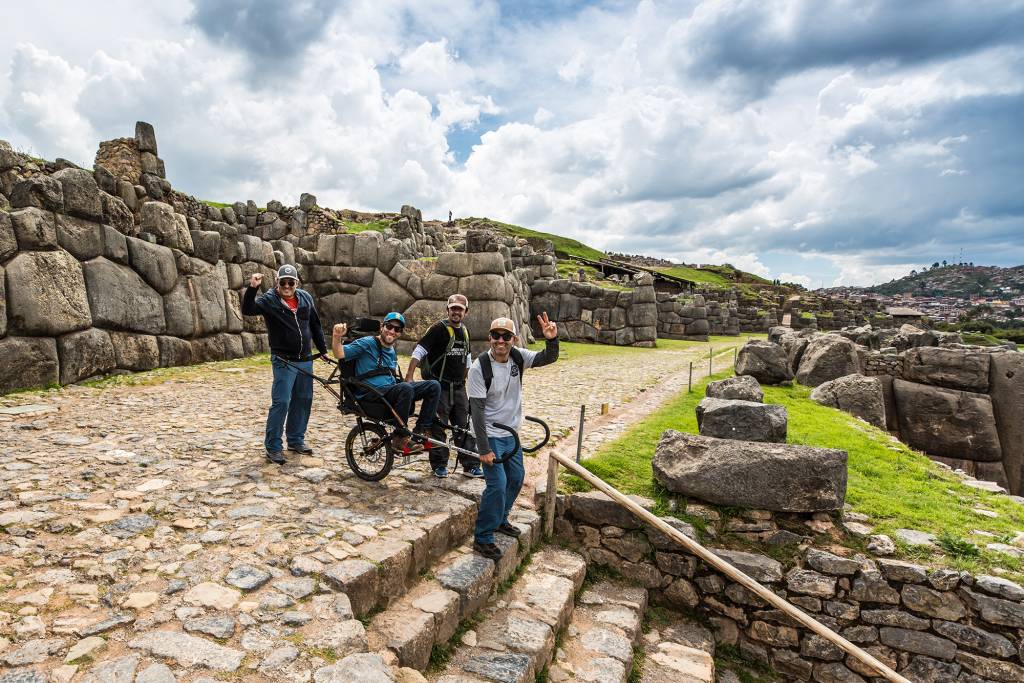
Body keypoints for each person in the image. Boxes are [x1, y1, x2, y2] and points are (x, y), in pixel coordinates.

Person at [468, 313, 559, 560]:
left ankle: (501, 518)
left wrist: (551, 339)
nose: (501, 341)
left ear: (513, 339)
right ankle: (483, 536)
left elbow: (548, 357)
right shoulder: (480, 368)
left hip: (511, 432)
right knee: (496, 485)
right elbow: (476, 410)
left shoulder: (518, 357)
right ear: (489, 338)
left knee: (517, 477)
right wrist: (484, 448)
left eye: (506, 336)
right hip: (490, 434)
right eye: (496, 335)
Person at [242, 265, 327, 464]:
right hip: (284, 361)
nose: (287, 286)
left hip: (305, 360)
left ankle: (296, 440)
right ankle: (273, 447)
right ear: (277, 283)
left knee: (303, 399)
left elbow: (314, 324)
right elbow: (248, 310)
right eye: (284, 282)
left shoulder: (305, 298)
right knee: (281, 402)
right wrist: (253, 287)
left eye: (291, 282)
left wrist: (322, 349)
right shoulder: (269, 300)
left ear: (297, 283)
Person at [332, 312, 441, 451]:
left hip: (389, 391)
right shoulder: (368, 342)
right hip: (370, 393)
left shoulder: (391, 350)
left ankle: (420, 432)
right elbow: (339, 353)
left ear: (400, 333)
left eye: (397, 329)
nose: (392, 331)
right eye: (389, 326)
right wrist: (336, 336)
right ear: (382, 327)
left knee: (433, 385)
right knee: (405, 388)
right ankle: (399, 437)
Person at [405, 294, 481, 479]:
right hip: (440, 388)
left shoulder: (465, 331)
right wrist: (409, 376)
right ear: (447, 310)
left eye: (460, 309)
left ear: (466, 312)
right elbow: (420, 350)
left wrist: (468, 385)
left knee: (464, 427)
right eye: (453, 308)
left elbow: (468, 359)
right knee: (438, 427)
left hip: (459, 388)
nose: (456, 312)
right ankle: (439, 465)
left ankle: (470, 465)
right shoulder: (438, 329)